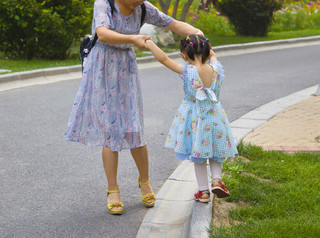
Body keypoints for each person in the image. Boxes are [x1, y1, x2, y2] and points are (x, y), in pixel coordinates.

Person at [64, 0, 204, 215]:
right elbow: (102, 33)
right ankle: (113, 189)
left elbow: (173, 24)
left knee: (134, 126)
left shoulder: (143, 8)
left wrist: (197, 32)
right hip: (102, 67)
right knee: (110, 130)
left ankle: (144, 181)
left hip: (126, 67)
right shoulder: (104, 3)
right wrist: (132, 38)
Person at [145, 34, 238, 203]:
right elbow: (212, 55)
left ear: (184, 54)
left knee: (199, 155)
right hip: (216, 117)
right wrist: (205, 45)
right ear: (207, 50)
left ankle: (203, 192)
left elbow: (164, 59)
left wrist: (149, 43)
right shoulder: (216, 68)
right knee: (217, 152)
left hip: (196, 120)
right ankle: (217, 180)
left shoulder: (187, 71)